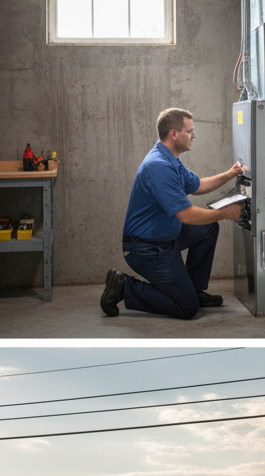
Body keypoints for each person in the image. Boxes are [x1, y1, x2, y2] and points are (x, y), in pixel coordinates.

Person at [100, 108, 245, 319]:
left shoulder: (170, 159)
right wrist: (224, 213)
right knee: (187, 308)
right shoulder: (159, 166)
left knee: (207, 228)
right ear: (173, 134)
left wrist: (231, 173)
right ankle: (124, 286)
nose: (194, 136)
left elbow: (198, 185)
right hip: (146, 248)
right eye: (190, 131)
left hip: (166, 236)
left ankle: (193, 289)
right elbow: (186, 216)